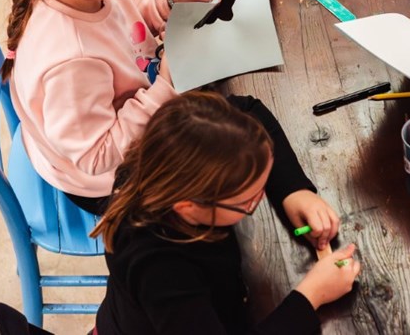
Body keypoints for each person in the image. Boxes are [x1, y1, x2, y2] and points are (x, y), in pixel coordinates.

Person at [2, 0, 213, 214]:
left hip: (126, 112)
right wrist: (166, 86)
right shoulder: (71, 63)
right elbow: (96, 156)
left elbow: (126, 3)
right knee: (228, 173)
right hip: (108, 181)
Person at [92, 91, 356, 334]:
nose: (261, 198)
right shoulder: (162, 270)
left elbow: (248, 109)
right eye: (249, 201)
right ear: (188, 206)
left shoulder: (168, 156)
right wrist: (311, 295)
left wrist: (293, 190)